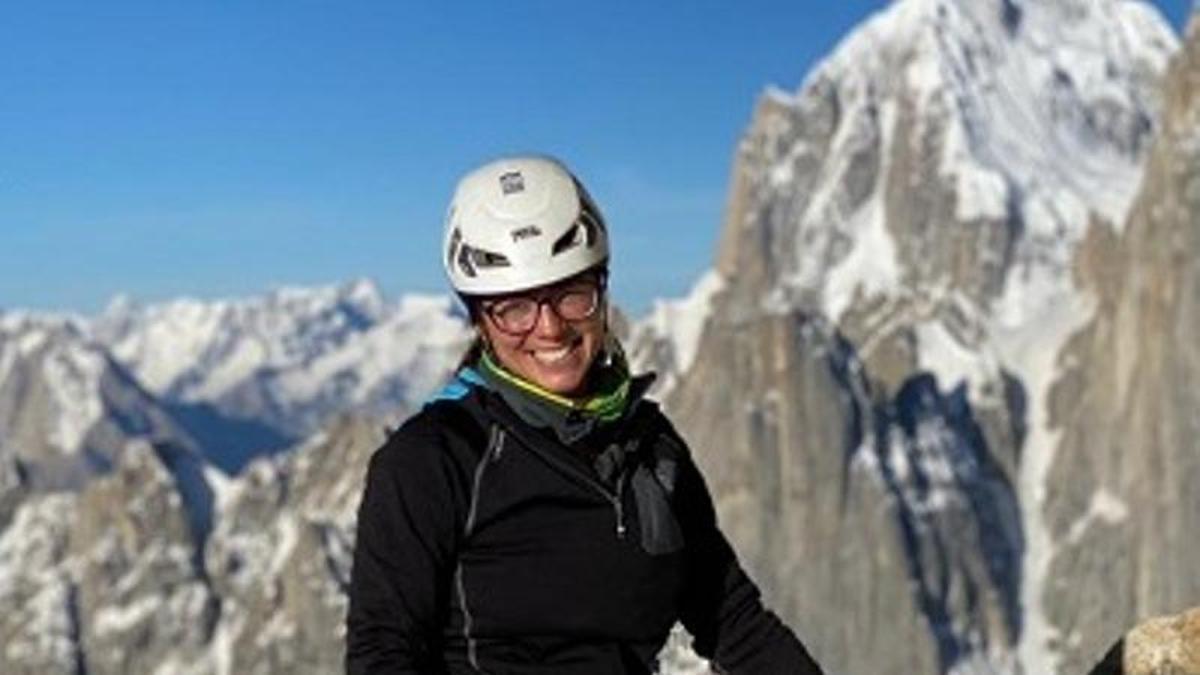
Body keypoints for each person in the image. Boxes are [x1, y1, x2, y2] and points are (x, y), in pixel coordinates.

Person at [345, 155, 823, 674]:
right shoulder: (434, 458)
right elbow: (383, 653)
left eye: (572, 295)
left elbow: (730, 618)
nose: (549, 329)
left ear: (602, 290)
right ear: (481, 320)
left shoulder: (649, 447)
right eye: (515, 308)